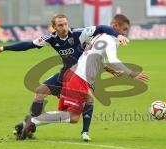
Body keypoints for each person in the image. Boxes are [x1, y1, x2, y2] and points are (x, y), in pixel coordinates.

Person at [0, 14, 129, 141]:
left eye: (65, 24)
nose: (64, 27)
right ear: (54, 27)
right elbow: (28, 45)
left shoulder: (79, 33)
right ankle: (31, 125)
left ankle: (84, 132)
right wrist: (4, 48)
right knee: (40, 92)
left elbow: (102, 28)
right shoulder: (51, 38)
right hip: (65, 74)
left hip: (81, 76)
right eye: (60, 25)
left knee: (87, 99)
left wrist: (117, 36)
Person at [20, 14, 149, 140]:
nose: (125, 33)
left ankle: (84, 132)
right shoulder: (110, 39)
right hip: (79, 78)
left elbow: (91, 55)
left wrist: (105, 67)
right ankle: (33, 121)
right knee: (73, 117)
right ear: (115, 26)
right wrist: (132, 74)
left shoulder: (99, 37)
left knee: (83, 104)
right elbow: (114, 60)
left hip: (75, 75)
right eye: (124, 29)